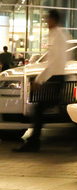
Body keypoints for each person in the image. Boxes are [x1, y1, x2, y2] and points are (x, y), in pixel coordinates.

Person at [13, 10, 70, 153]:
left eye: (47, 19)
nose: (45, 22)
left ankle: (33, 142)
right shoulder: (59, 35)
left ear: (53, 20)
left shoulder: (57, 36)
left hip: (55, 78)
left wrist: (39, 80)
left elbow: (55, 62)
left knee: (40, 108)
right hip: (56, 77)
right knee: (42, 108)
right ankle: (34, 141)